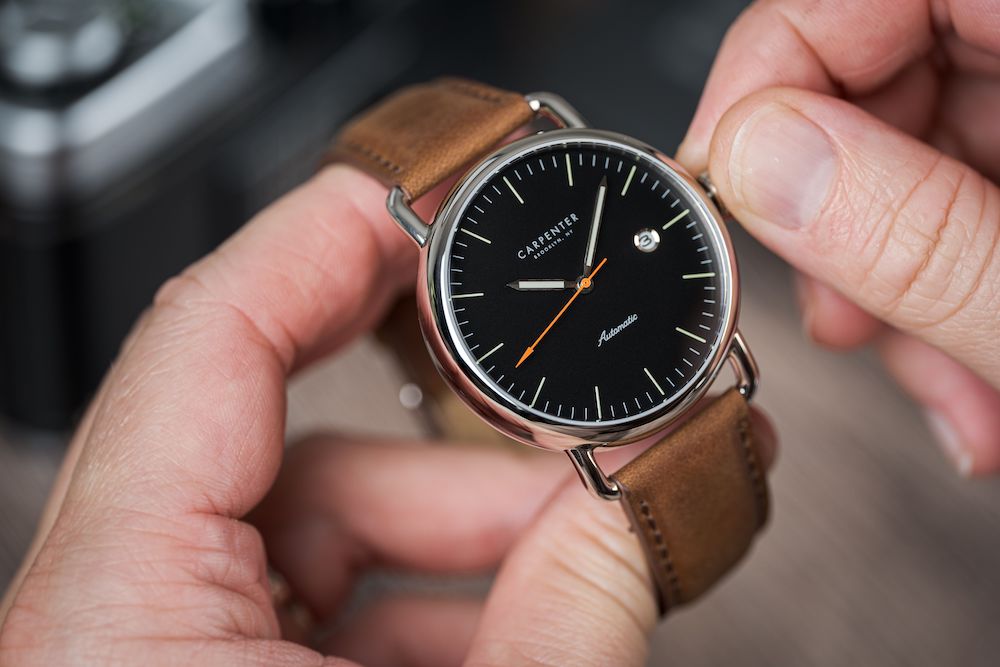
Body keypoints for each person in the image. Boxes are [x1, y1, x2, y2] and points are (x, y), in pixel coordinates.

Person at [0, 1, 997, 664]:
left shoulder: (583, 177)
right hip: (611, 405)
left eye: (586, 272)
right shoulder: (508, 371)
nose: (587, 282)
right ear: (455, 366)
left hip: (679, 361)